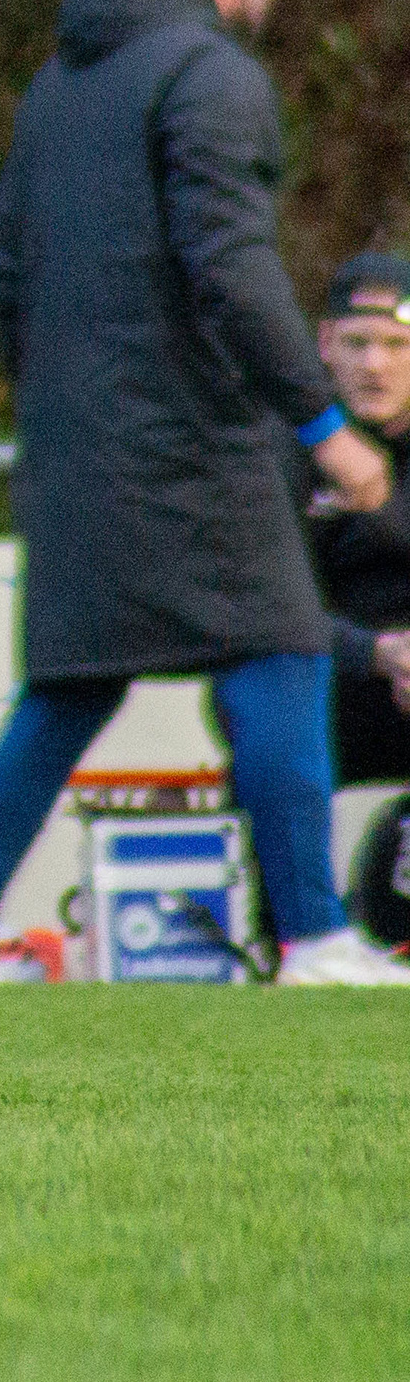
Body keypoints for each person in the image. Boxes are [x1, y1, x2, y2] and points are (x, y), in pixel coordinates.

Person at [0, 0, 404, 985]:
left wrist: (65, 403)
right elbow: (231, 268)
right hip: (195, 446)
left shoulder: (58, 85)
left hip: (77, 450)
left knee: (74, 681)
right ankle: (319, 938)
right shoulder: (212, 74)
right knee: (280, 651)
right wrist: (321, 420)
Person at [309, 253, 410, 943]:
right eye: (357, 344)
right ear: (324, 346)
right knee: (268, 704)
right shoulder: (286, 449)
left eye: (396, 345)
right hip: (322, 679)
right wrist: (376, 652)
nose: (375, 364)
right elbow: (261, 608)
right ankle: (295, 934)